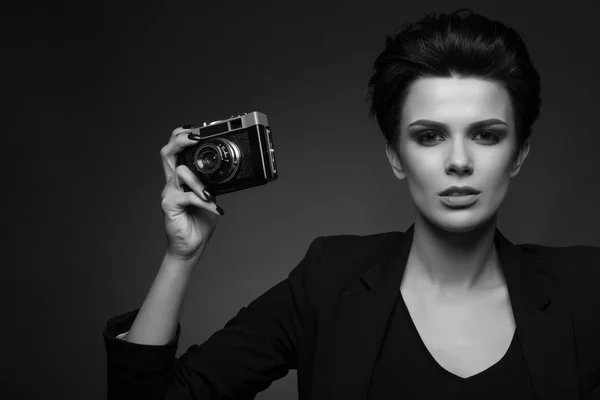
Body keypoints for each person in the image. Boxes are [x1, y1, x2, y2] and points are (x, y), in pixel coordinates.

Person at [103, 8, 600, 400]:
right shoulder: (330, 280)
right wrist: (180, 257)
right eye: (428, 137)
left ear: (518, 155)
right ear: (395, 157)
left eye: (487, 136)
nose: (458, 161)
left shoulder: (585, 289)